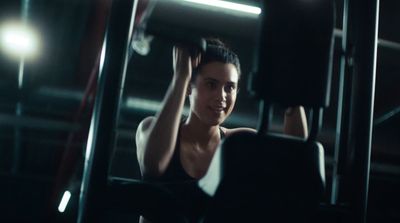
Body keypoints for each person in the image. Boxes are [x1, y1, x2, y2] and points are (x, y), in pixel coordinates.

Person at [135, 38, 308, 222]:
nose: (222, 96)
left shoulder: (240, 144)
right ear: (188, 87)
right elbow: (154, 165)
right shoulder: (149, 128)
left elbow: (296, 160)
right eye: (211, 84)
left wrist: (292, 94)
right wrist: (181, 76)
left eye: (229, 87)